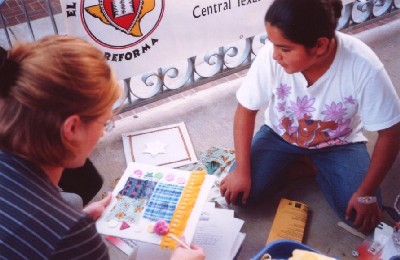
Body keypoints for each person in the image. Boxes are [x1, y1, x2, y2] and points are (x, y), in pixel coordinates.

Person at [220, 0, 400, 233]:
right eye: (272, 44)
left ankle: (314, 165)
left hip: (339, 144)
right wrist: (242, 171)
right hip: (279, 136)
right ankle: (312, 166)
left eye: (284, 49)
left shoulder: (363, 66)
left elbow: (391, 132)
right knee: (240, 195)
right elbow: (245, 109)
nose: (275, 56)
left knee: (362, 218)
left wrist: (365, 194)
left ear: (320, 46)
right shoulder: (270, 56)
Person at [0, 35, 120, 259]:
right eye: (104, 123)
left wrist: (66, 223)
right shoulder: (71, 236)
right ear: (72, 128)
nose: (103, 133)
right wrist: (70, 232)